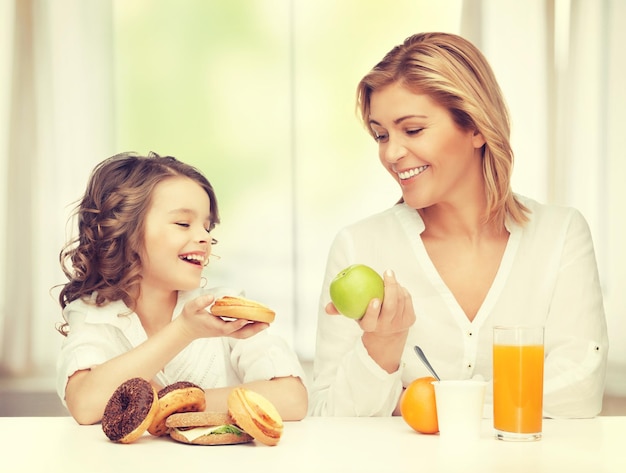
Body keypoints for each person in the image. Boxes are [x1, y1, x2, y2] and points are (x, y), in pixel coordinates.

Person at [310, 32, 608, 418]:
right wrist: (381, 346)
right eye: (381, 135)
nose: (391, 153)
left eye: (413, 129)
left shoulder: (561, 234)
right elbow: (327, 415)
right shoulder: (358, 245)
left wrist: (427, 404)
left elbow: (580, 389)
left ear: (476, 127)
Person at [56, 152, 308, 425]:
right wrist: (184, 330)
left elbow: (292, 398)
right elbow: (84, 404)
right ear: (126, 233)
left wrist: (169, 402)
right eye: (183, 224)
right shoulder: (93, 315)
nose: (204, 237)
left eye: (207, 226)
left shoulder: (223, 307)